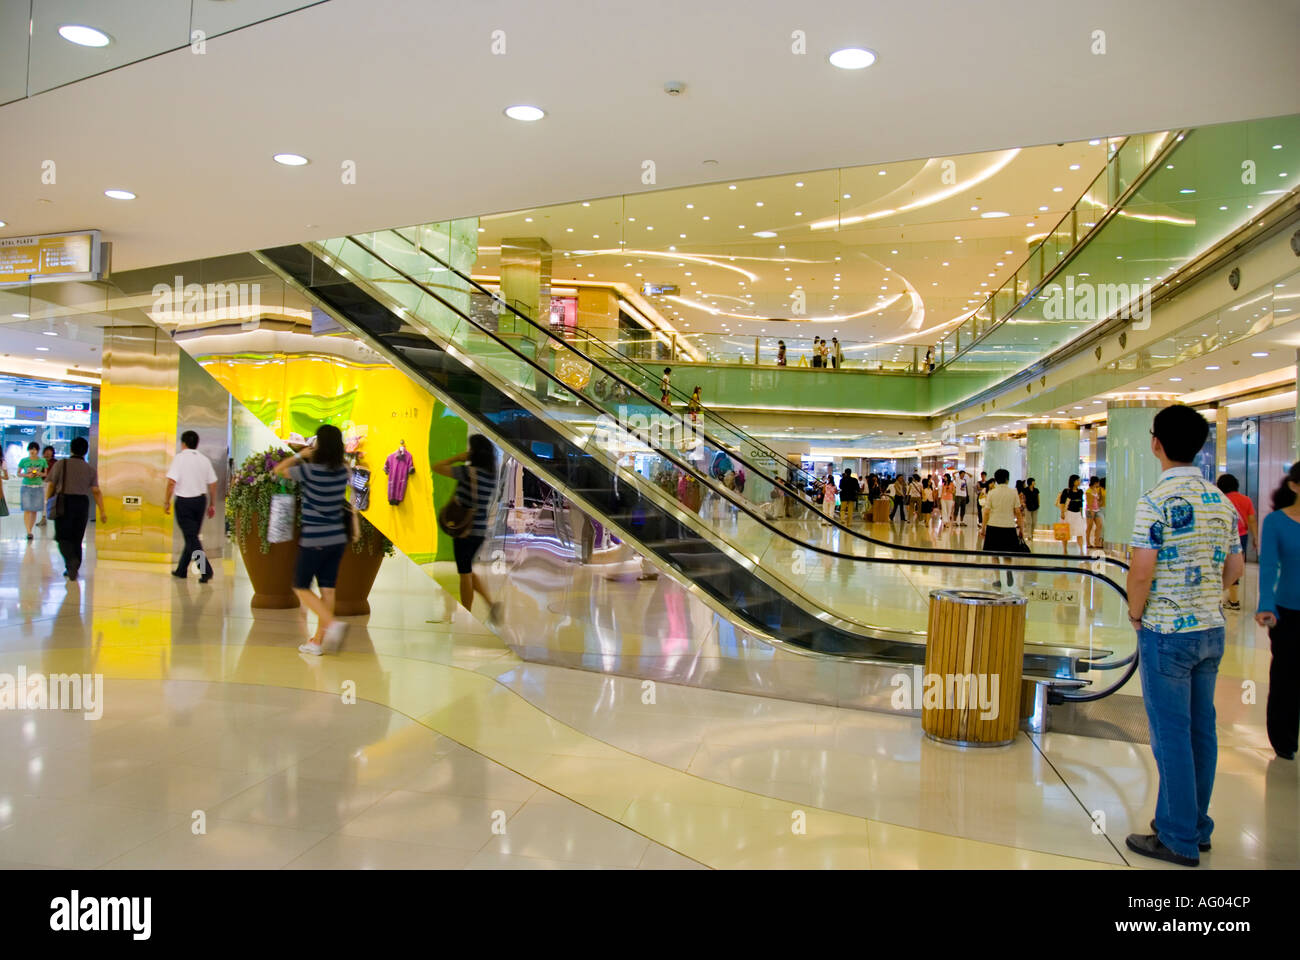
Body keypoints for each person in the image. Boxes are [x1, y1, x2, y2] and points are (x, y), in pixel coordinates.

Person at [1124, 404, 1242, 867]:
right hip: (1211, 629)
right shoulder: (1221, 501)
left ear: (1156, 444)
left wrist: (1137, 616)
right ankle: (1195, 823)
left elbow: (1141, 573)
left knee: (1170, 733)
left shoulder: (1153, 500)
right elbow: (1233, 568)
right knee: (1201, 730)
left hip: (1167, 632)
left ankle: (1176, 835)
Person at [273, 425, 352, 656]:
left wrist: (300, 455)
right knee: (328, 589)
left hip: (315, 537)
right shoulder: (344, 470)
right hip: (337, 538)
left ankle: (332, 623)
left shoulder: (310, 471)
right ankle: (317, 642)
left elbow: (279, 470)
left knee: (300, 586)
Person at [1256, 461, 1300, 760]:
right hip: (1289, 611)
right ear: (1294, 486)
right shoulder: (1275, 522)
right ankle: (1283, 740)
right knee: (1286, 678)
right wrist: (1265, 605)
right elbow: (1269, 567)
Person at [434, 434, 501, 620]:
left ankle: (468, 613)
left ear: (474, 452)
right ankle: (490, 604)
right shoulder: (491, 475)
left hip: (464, 531)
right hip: (480, 531)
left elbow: (437, 467)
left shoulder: (468, 472)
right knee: (468, 570)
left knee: (464, 574)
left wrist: (457, 458)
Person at [43, 436, 106, 581]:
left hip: (64, 502)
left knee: (63, 537)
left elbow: (51, 485)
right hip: (82, 504)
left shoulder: (61, 464)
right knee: (77, 538)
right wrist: (102, 510)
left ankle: (71, 561)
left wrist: (48, 500)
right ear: (85, 451)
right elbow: (96, 491)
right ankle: (72, 569)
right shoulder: (90, 469)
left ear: (71, 448)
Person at [164, 430, 218, 582]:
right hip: (200, 502)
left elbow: (171, 483)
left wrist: (166, 501)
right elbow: (213, 483)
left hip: (184, 502)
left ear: (183, 443)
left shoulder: (179, 459)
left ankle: (205, 569)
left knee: (191, 538)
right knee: (192, 536)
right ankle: (181, 570)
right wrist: (212, 504)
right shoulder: (204, 460)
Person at [1216, 473, 1257, 611]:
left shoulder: (1220, 500)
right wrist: (1256, 538)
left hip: (1223, 536)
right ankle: (1233, 600)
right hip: (1242, 536)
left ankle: (1225, 598)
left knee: (1221, 566)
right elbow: (1251, 520)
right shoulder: (1246, 500)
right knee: (1235, 565)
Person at [980, 468, 1022, 588]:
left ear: (996, 480)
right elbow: (1018, 512)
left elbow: (986, 512)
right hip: (1009, 526)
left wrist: (983, 528)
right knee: (1007, 553)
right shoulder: (1013, 492)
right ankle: (1008, 570)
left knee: (994, 554)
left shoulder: (992, 493)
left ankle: (997, 579)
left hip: (993, 526)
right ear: (1007, 479)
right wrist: (1021, 529)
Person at [18, 442, 47, 541]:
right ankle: (28, 531)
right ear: (28, 450)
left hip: (38, 486)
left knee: (34, 510)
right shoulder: (24, 460)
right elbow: (18, 473)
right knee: (27, 509)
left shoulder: (42, 461)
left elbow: (45, 473)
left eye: (34, 449)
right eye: (31, 449)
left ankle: (30, 530)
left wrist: (39, 473)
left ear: (38, 450)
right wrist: (27, 475)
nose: (32, 451)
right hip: (26, 486)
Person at [1058, 474, 1086, 555]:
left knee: (1080, 532)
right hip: (1068, 513)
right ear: (1073, 481)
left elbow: (1081, 504)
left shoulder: (1080, 492)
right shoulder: (1066, 491)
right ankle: (1065, 549)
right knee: (1066, 532)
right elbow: (1062, 503)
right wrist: (1062, 512)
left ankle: (1081, 550)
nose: (1079, 482)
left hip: (1077, 514)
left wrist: (1081, 514)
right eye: (1077, 480)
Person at [38, 445, 56, 528]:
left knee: (50, 502)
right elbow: (36, 471)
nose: (47, 454)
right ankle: (43, 518)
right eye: (46, 453)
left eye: (49, 453)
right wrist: (33, 471)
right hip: (42, 483)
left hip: (52, 484)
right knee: (43, 502)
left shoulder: (55, 462)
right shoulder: (40, 462)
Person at [1023, 478, 1040, 545]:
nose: (1034, 482)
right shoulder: (1025, 490)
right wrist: (1024, 505)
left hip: (1035, 507)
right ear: (1030, 482)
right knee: (1028, 522)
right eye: (1033, 481)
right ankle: (1029, 535)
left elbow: (1038, 497)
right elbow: (1024, 497)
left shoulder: (1036, 490)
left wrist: (1038, 504)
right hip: (1027, 506)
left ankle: (1032, 534)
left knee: (1034, 522)